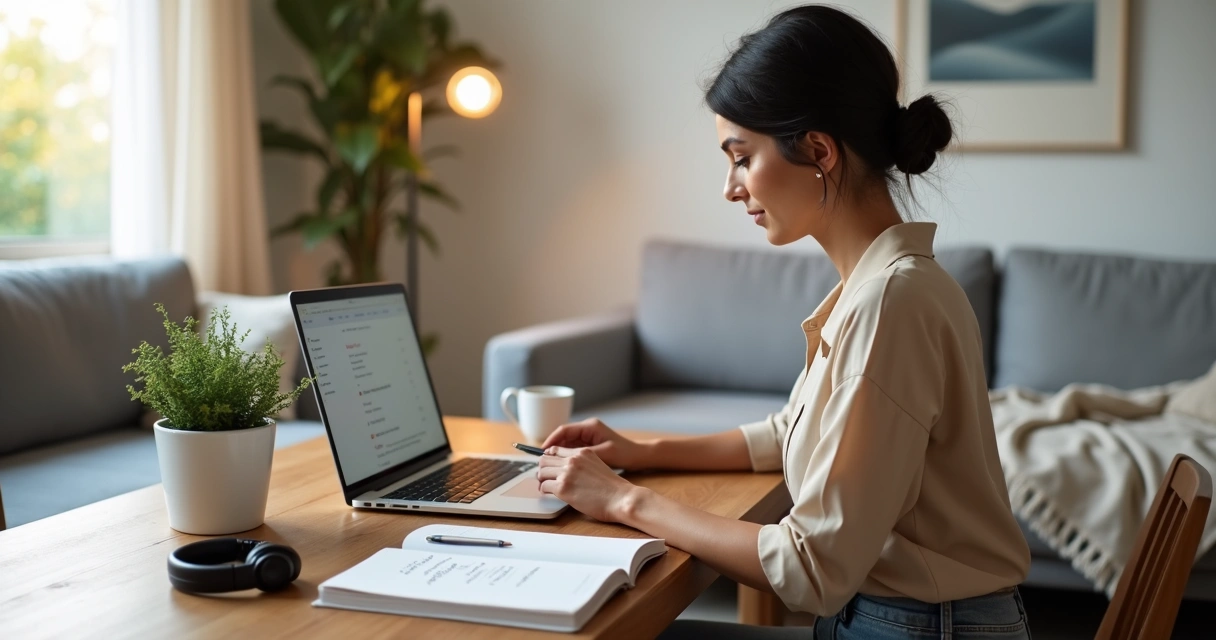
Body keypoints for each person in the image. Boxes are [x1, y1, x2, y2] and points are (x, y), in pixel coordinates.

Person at [534, 4, 1032, 639]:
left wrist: (625, 500)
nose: (730, 187)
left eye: (741, 157)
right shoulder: (876, 285)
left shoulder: (891, 304)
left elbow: (812, 568)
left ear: (819, 151)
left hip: (921, 627)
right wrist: (644, 451)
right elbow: (789, 431)